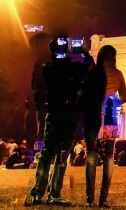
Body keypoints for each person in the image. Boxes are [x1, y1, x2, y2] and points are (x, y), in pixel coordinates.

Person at [24, 36, 93, 207]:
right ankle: (42, 193)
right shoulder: (50, 67)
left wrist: (80, 54)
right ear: (55, 50)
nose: (67, 47)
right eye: (63, 45)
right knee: (49, 154)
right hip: (59, 113)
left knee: (59, 154)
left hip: (65, 113)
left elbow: (87, 70)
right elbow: (82, 69)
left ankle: (49, 193)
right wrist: (80, 53)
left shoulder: (61, 65)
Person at [79, 44, 126, 208]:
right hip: (110, 120)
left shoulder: (93, 73)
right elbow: (125, 97)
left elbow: (84, 94)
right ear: (114, 57)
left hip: (92, 118)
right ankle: (103, 199)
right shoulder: (118, 74)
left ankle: (89, 199)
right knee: (108, 158)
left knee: (91, 158)